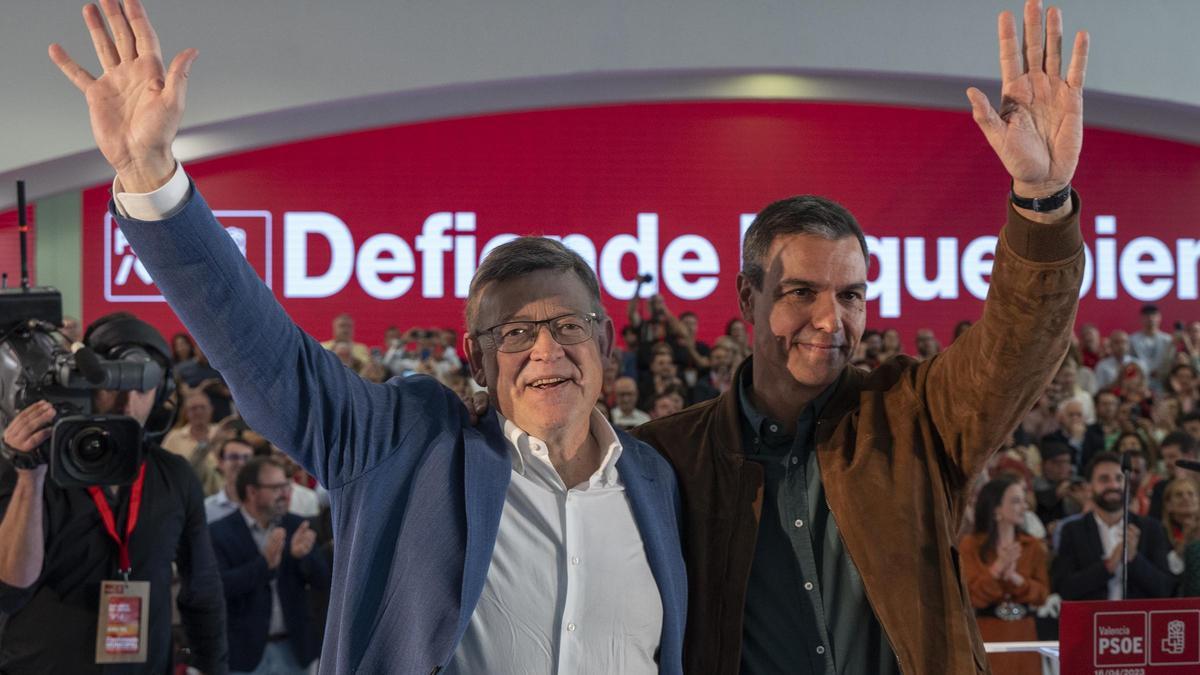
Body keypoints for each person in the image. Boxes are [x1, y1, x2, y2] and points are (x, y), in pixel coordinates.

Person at [49, 4, 687, 671]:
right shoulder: (407, 448)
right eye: (517, 333)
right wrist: (152, 177)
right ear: (475, 359)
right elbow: (269, 360)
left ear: (607, 340)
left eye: (567, 326)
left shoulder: (661, 484)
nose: (546, 350)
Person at [633, 2, 1090, 670]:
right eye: (801, 293)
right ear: (747, 298)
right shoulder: (668, 459)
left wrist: (1041, 198)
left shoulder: (914, 416)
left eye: (850, 295)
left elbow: (1016, 346)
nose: (831, 319)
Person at [0, 313, 227, 673]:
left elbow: (202, 592)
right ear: (83, 384)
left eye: (142, 386)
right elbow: (10, 591)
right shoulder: (30, 464)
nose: (126, 402)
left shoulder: (174, 475)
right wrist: (30, 476)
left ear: (163, 392)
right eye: (110, 382)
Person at [210, 457, 330, 674]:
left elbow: (324, 581)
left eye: (286, 485)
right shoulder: (219, 532)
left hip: (295, 651)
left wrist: (302, 556)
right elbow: (218, 587)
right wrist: (264, 565)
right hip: (244, 654)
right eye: (276, 488)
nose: (285, 493)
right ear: (252, 492)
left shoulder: (297, 526)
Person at [1053, 452, 1176, 600]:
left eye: (1119, 478)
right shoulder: (1073, 531)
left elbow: (1166, 589)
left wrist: (1134, 558)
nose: (1113, 485)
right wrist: (1108, 566)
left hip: (1139, 619)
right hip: (1091, 620)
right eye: (1104, 479)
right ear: (1089, 487)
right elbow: (1064, 589)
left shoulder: (1151, 528)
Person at [958, 476, 1048, 675]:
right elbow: (972, 596)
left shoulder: (1032, 546)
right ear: (996, 508)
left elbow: (1042, 595)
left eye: (1024, 500)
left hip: (1025, 635)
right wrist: (998, 569)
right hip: (986, 633)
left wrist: (1015, 578)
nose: (1024, 506)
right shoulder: (970, 545)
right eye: (1016, 501)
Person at [205, 436, 257, 523]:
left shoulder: (264, 506)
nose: (240, 463)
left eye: (246, 458)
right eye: (233, 457)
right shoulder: (206, 509)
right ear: (220, 463)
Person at [1129, 305, 1175, 391]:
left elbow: (1170, 361)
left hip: (1162, 381)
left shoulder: (1168, 340)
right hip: (1140, 383)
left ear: (1159, 318)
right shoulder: (1133, 340)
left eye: (1154, 316)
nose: (1150, 319)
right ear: (1141, 318)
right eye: (1147, 316)